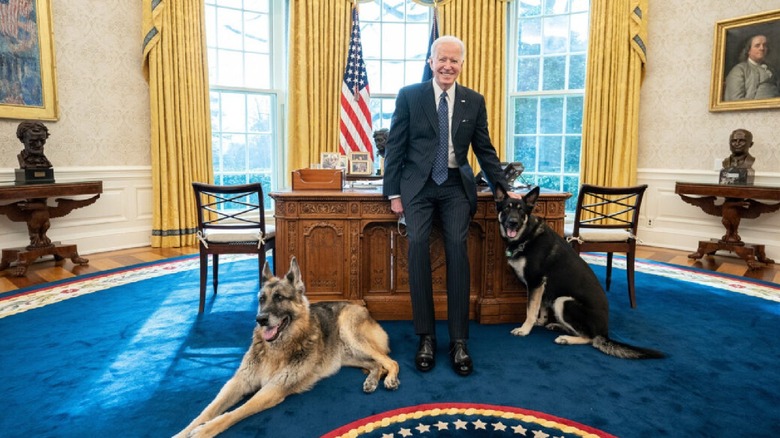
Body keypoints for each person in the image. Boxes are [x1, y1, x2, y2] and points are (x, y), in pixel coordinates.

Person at [382, 35, 521, 376]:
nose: (447, 65)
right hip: (418, 187)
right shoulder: (410, 96)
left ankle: (459, 341)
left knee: (458, 247)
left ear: (461, 64)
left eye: (454, 60)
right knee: (416, 246)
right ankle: (426, 337)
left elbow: (484, 150)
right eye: (441, 59)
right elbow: (395, 147)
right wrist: (393, 194)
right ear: (430, 61)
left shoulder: (473, 101)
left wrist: (504, 187)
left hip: (457, 186)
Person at [723, 34, 780, 101]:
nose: (762, 48)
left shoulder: (772, 69)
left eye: (765, 45)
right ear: (748, 50)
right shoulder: (739, 70)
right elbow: (734, 100)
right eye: (757, 45)